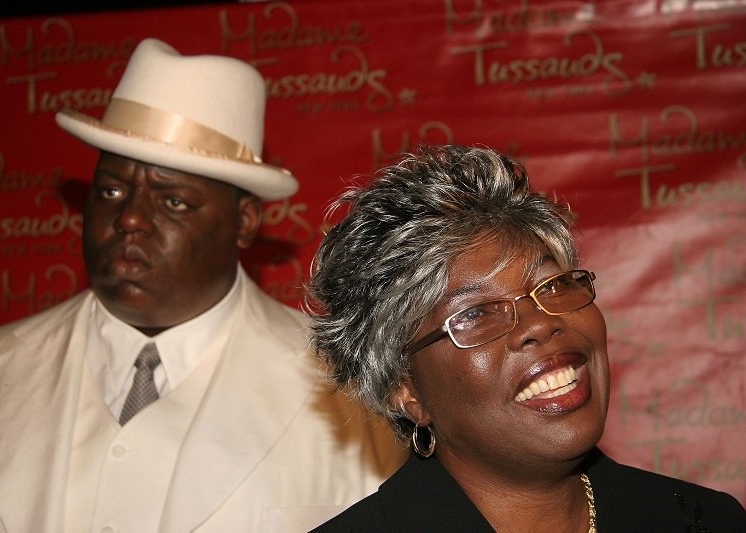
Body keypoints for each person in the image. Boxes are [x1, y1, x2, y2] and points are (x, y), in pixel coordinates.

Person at [0, 38, 404, 532]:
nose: (130, 219)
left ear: (244, 221)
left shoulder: (356, 395)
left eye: (174, 202)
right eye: (111, 190)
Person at [304, 144, 745, 532]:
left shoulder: (705, 520)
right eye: (475, 313)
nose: (539, 323)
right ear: (406, 389)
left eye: (553, 286)